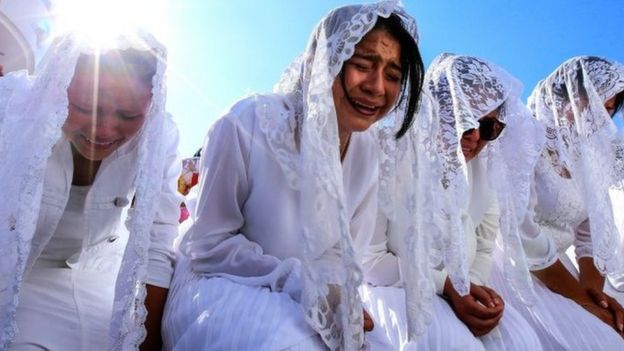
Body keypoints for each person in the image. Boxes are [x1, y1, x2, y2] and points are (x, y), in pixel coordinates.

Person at [162, 2, 424, 350]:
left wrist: (335, 298)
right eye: (362, 65)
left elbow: (344, 258)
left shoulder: (370, 153)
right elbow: (207, 245)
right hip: (219, 282)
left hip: (308, 294)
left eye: (393, 76)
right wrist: (298, 281)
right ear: (325, 61)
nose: (377, 87)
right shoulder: (248, 122)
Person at [0, 30, 181, 350]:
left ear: (151, 103)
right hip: (16, 278)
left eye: (128, 115)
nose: (103, 130)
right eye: (84, 106)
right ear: (58, 85)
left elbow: (156, 243)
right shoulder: (11, 108)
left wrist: (146, 341)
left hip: (100, 282)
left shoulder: (159, 138)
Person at [363, 53, 544, 350]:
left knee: (522, 341)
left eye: (490, 129)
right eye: (466, 119)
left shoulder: (484, 171)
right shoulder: (386, 153)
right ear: (440, 107)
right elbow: (368, 260)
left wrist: (471, 288)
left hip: (456, 294)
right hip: (395, 289)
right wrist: (447, 285)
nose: (475, 137)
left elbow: (484, 245)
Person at [500, 56, 624, 350]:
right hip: (516, 266)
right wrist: (580, 299)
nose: (600, 119)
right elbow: (520, 227)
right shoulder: (523, 139)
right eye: (592, 105)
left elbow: (591, 233)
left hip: (563, 271)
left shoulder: (587, 161)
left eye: (608, 110)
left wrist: (595, 293)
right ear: (562, 98)